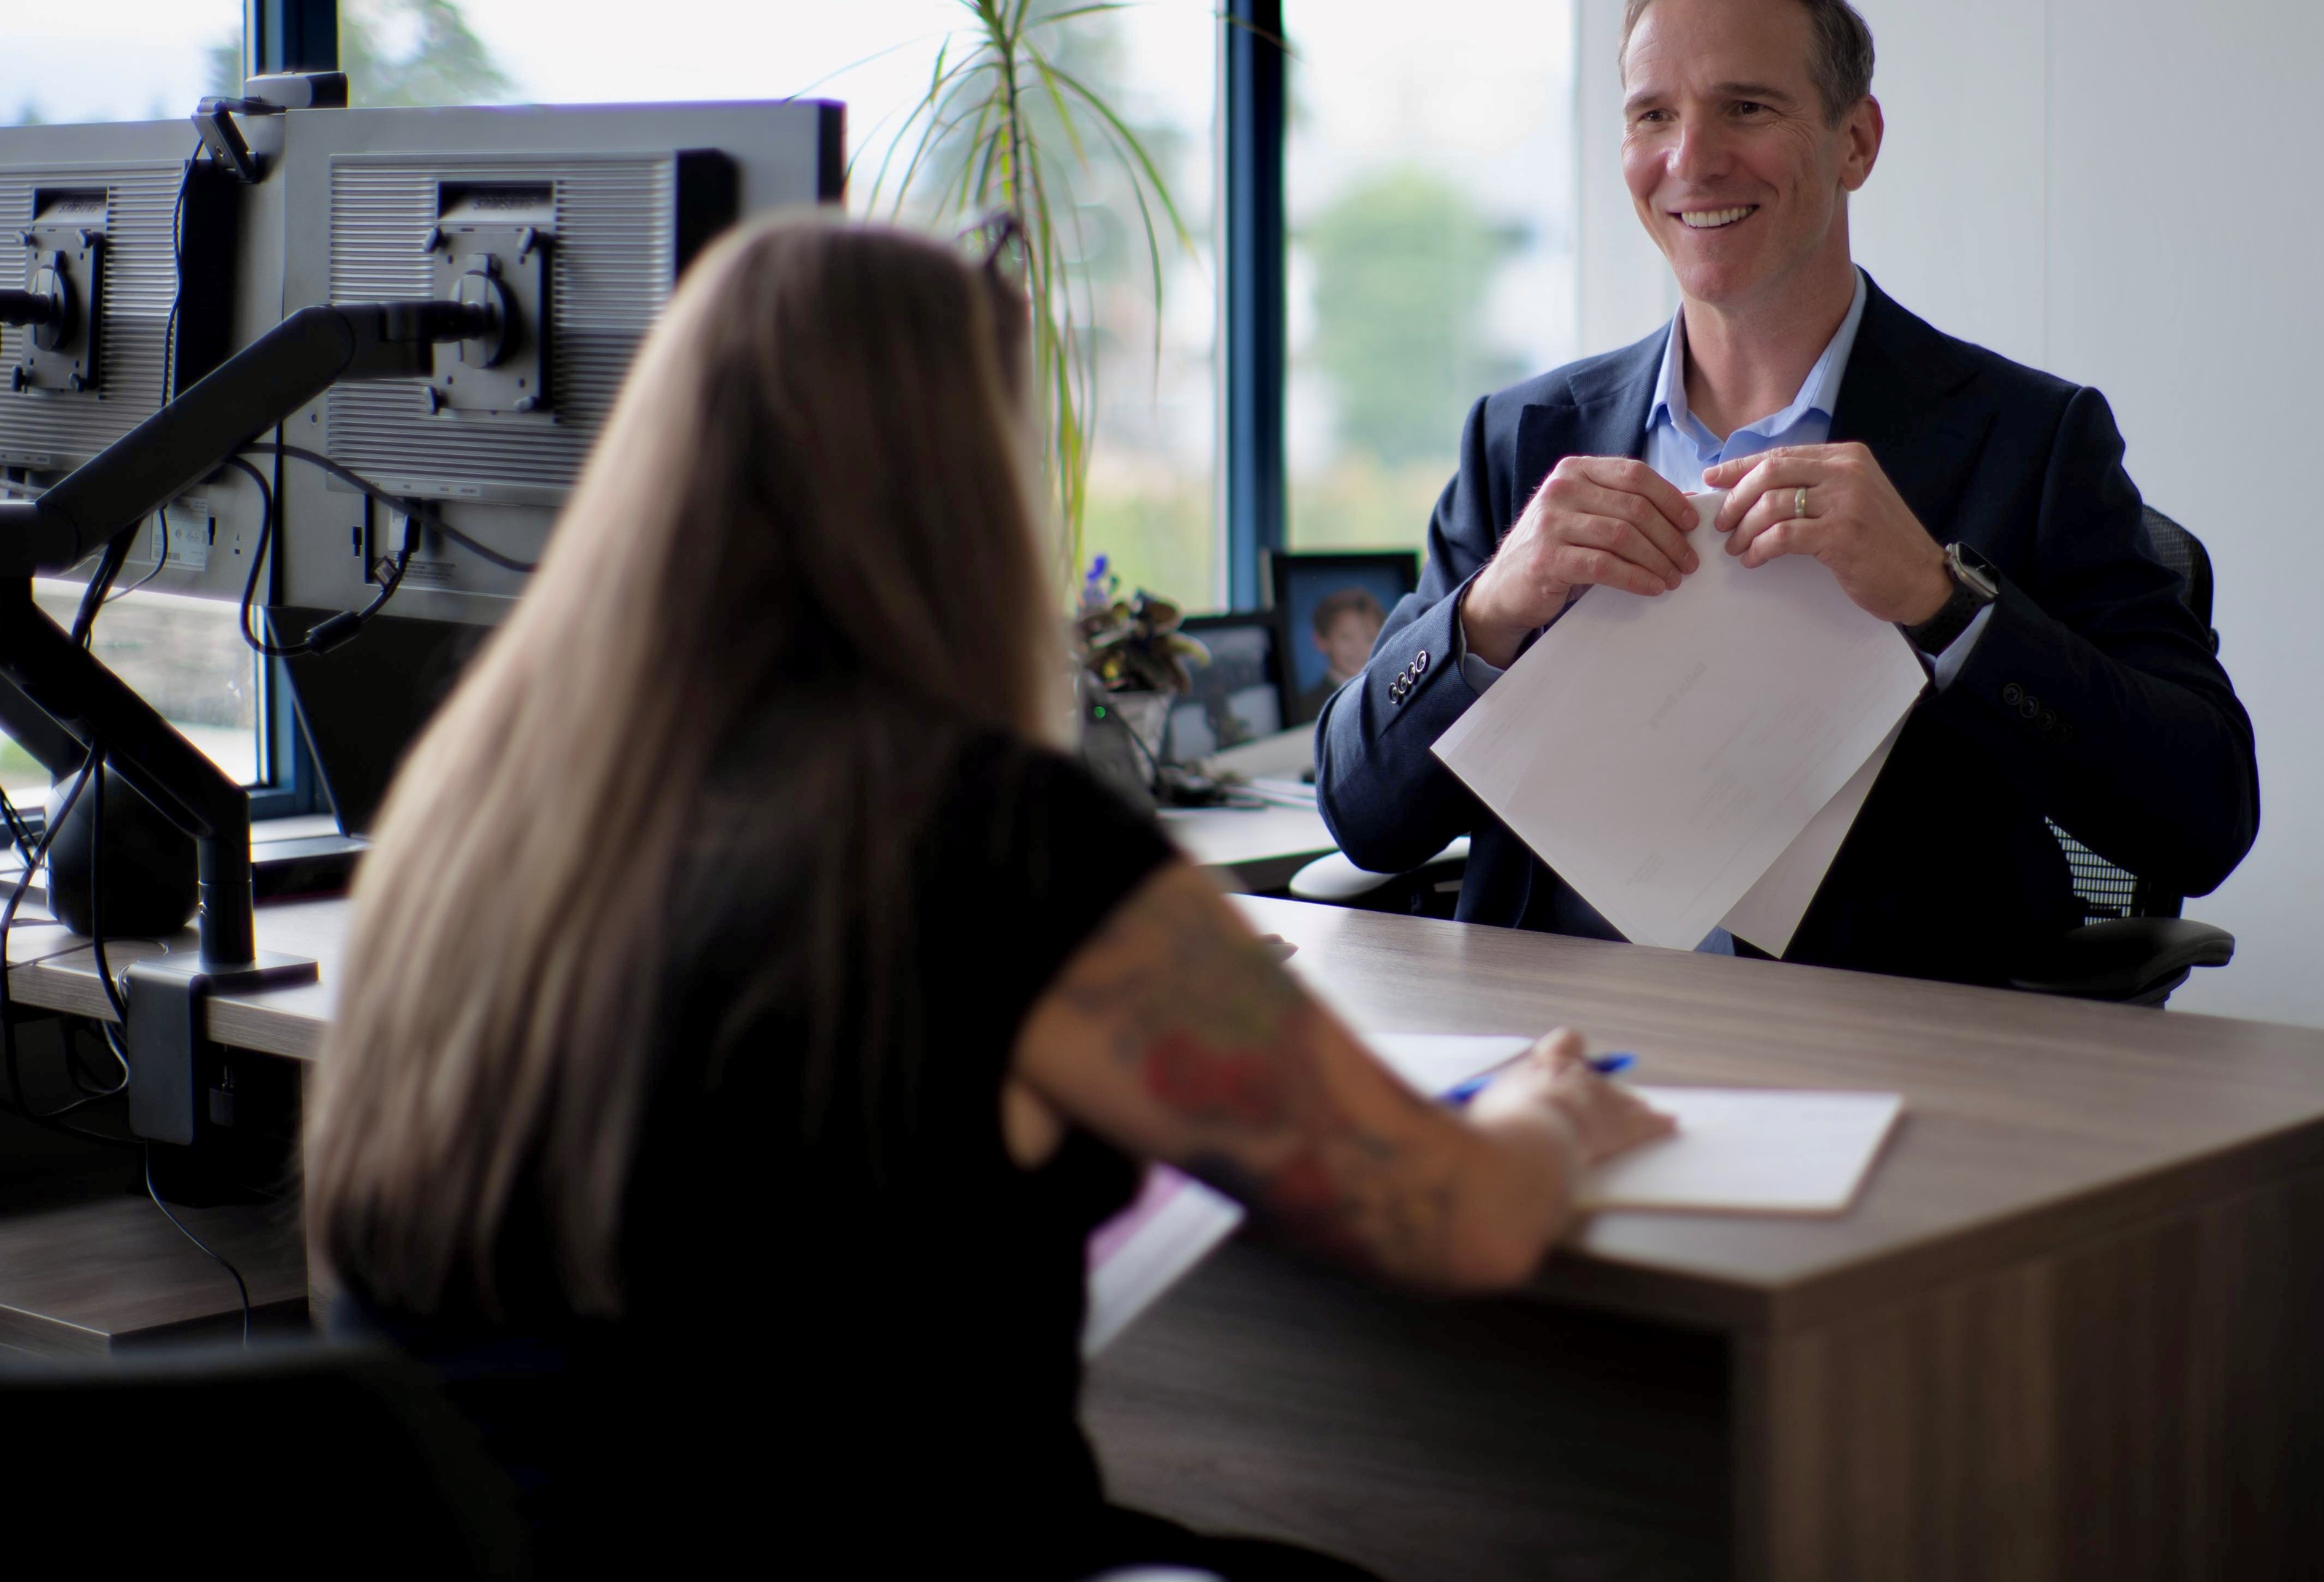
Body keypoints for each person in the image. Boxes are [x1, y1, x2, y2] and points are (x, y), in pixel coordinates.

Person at [303, 214, 1668, 1579]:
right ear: (965, 492)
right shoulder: (992, 843)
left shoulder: (473, 812)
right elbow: (1457, 1216)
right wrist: (1549, 1115)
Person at [1317, 0, 2259, 983]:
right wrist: (1488, 615)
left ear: (1856, 142)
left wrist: (1945, 604)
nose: (1693, 159)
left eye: (1747, 109)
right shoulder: (1525, 440)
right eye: (1652, 116)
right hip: (1563, 1051)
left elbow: (2204, 818)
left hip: (1882, 1050)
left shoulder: (2027, 440)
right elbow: (1362, 816)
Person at [1310, 584, 1385, 688]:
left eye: (1370, 638)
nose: (1359, 648)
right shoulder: (1309, 702)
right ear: (1321, 640)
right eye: (1346, 637)